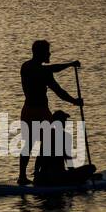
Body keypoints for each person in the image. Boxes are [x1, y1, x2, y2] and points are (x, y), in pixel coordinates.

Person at [18, 40, 82, 185]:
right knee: (44, 141)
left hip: (36, 111)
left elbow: (59, 91)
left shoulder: (32, 68)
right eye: (47, 52)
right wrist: (69, 65)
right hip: (34, 112)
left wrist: (73, 101)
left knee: (44, 142)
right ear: (40, 53)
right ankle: (28, 176)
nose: (49, 54)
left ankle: (45, 173)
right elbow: (52, 72)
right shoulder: (31, 68)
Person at [32, 111, 97, 186]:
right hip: (57, 177)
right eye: (64, 120)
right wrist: (77, 174)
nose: (65, 122)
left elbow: (39, 158)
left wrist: (37, 173)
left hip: (45, 176)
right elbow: (68, 161)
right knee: (91, 168)